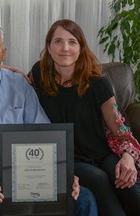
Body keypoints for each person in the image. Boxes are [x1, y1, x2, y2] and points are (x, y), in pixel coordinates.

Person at [0, 22, 97, 216]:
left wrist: (62, 173)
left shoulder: (20, 84)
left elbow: (43, 133)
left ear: (3, 53)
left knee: (85, 199)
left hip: (25, 171)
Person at [27, 19, 140, 216]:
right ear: (49, 47)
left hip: (101, 153)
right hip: (67, 157)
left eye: (72, 42)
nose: (65, 48)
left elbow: (119, 128)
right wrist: (8, 71)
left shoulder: (97, 83)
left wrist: (128, 157)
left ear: (81, 48)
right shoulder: (39, 73)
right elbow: (16, 85)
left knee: (126, 181)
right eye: (58, 41)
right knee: (98, 179)